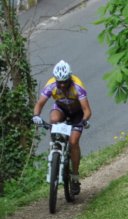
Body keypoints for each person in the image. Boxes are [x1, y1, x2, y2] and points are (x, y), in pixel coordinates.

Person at [32, 60, 91, 193]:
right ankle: (56, 147)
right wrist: (36, 115)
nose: (62, 85)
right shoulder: (51, 85)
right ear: (56, 80)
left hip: (77, 113)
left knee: (74, 142)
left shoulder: (77, 86)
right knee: (54, 119)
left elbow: (87, 110)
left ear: (70, 78)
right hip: (61, 109)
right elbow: (39, 103)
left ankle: (75, 177)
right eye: (60, 82)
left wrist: (84, 121)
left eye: (65, 81)